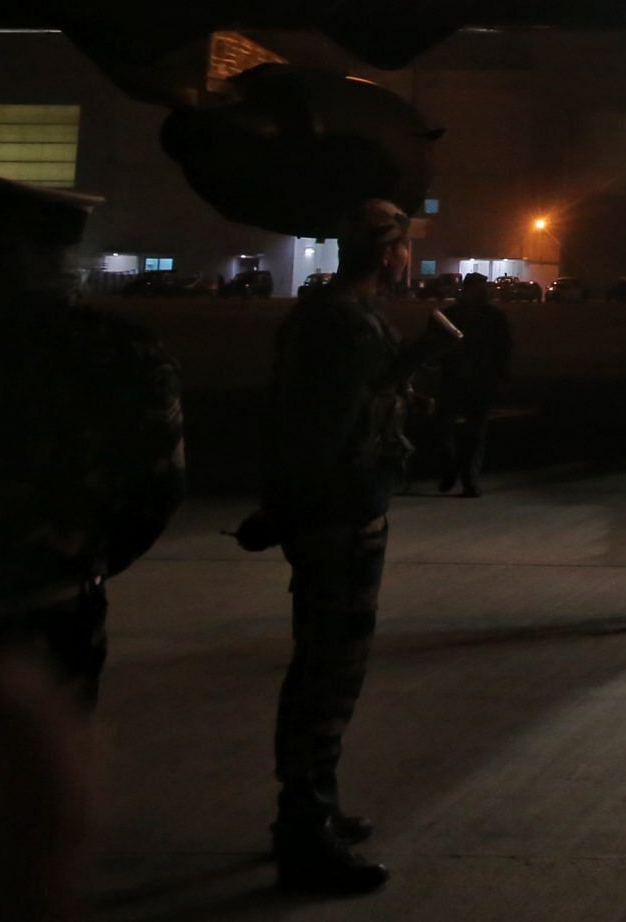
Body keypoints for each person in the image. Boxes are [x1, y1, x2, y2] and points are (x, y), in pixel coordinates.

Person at [0, 171, 185, 709]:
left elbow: (155, 490)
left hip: (41, 609)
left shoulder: (119, 354)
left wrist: (72, 560)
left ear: (42, 255)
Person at [262, 197, 450, 894]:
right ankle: (302, 832)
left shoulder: (331, 315)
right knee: (328, 674)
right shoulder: (346, 321)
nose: (406, 260)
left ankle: (316, 806)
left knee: (327, 668)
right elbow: (327, 428)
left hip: (335, 512)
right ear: (385, 251)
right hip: (339, 518)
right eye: (402, 247)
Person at [435, 273, 513, 499]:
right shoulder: (453, 315)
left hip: (478, 380)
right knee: (452, 430)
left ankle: (467, 478)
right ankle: (455, 472)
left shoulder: (492, 317)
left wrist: (501, 377)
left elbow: (504, 349)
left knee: (473, 432)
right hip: (460, 378)